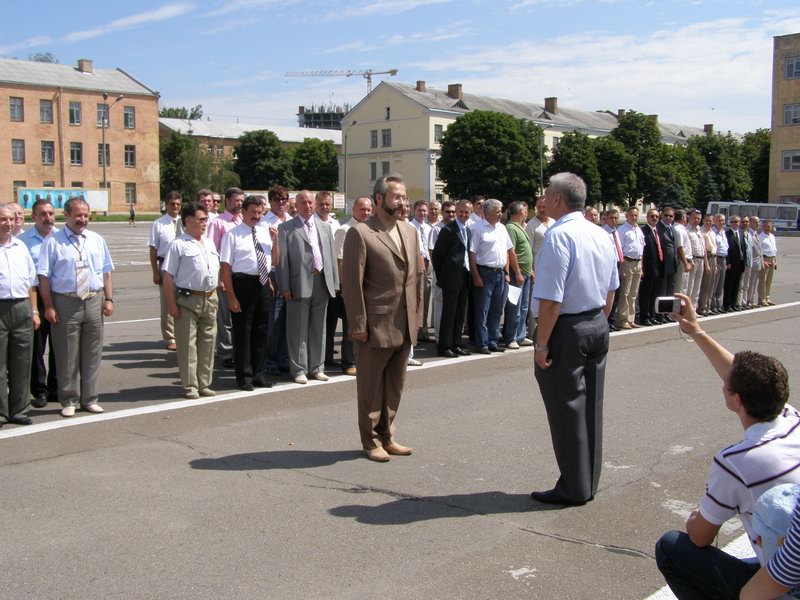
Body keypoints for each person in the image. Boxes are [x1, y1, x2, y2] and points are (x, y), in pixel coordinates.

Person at [654, 293, 800, 599]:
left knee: (671, 547)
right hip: (791, 561)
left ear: (736, 399)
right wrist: (696, 331)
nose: (723, 383)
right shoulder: (793, 419)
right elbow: (745, 379)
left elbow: (700, 537)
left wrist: (699, 513)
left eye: (726, 385)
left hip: (783, 583)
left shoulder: (737, 461)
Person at [530, 172, 618, 506]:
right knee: (591, 407)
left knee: (566, 409)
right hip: (595, 321)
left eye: (546, 194)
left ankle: (574, 487)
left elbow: (551, 301)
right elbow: (611, 288)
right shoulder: (600, 233)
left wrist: (542, 344)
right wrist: (600, 321)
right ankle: (587, 482)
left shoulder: (559, 236)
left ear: (557, 199)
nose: (543, 199)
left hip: (567, 327)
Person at [341, 174, 423, 462]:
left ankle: (388, 436)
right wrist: (358, 325)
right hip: (376, 325)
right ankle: (371, 440)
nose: (402, 202)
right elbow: (352, 285)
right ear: (379, 199)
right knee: (370, 388)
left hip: (404, 323)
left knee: (395, 386)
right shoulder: (361, 233)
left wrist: (417, 318)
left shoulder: (410, 231)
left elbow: (417, 279)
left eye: (404, 197)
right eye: (396, 197)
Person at [37, 197, 114, 417]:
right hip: (66, 301)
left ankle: (90, 398)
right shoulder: (53, 242)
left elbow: (106, 272)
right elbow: (44, 277)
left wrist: (109, 299)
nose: (83, 219)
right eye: (78, 215)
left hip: (93, 299)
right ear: (67, 215)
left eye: (86, 215)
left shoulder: (96, 240)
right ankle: (69, 399)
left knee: (92, 352)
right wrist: (49, 306)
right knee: (67, 353)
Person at [277, 190, 338, 385]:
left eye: (311, 202)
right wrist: (284, 287)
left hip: (322, 281)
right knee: (298, 329)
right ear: (296, 205)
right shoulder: (286, 228)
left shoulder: (325, 226)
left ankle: (317, 367)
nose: (308, 206)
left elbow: (331, 256)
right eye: (303, 202)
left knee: (319, 328)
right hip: (298, 283)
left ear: (315, 204)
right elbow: (282, 261)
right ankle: (299, 369)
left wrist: (334, 283)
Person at [220, 195, 278, 391]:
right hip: (242, 284)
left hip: (262, 284)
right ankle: (244, 377)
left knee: (261, 331)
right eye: (253, 212)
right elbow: (225, 268)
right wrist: (231, 297)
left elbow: (273, 261)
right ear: (243, 212)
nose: (257, 216)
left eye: (260, 213)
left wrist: (276, 241)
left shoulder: (264, 232)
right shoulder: (232, 235)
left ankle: (258, 374)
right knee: (243, 333)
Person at [162, 202, 220, 399]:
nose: (205, 223)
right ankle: (190, 386)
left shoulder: (209, 243)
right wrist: (171, 305)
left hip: (209, 298)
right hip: (188, 300)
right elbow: (168, 277)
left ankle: (204, 383)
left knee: (208, 344)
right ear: (188, 221)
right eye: (201, 219)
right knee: (188, 345)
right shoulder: (178, 244)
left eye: (206, 220)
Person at [0, 203, 38, 427]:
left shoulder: (20, 247)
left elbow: (31, 282)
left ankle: (19, 409)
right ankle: (1, 412)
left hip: (22, 307)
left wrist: (34, 311)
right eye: (3, 219)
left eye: (11, 219)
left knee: (22, 361)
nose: (8, 224)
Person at [18, 199, 59, 408]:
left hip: (59, 298)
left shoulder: (62, 237)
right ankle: (39, 390)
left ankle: (56, 388)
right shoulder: (23, 241)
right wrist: (34, 308)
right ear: (33, 217)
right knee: (37, 347)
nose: (48, 218)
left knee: (59, 346)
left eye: (50, 213)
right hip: (35, 299)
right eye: (43, 214)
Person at [470, 199, 521, 354]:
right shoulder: (477, 228)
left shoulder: (502, 228)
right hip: (484, 272)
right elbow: (472, 254)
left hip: (500, 273)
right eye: (497, 211)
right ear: (488, 212)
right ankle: (482, 343)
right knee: (483, 310)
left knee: (497, 310)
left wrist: (509, 272)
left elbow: (508, 251)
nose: (501, 214)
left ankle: (493, 340)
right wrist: (475, 275)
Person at [331, 196, 373, 376]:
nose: (366, 213)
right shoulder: (345, 230)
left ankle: (362, 359)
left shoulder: (371, 229)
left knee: (364, 324)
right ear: (353, 209)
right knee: (351, 325)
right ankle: (348, 362)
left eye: (369, 210)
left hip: (368, 285)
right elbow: (339, 260)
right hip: (350, 286)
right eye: (362, 209)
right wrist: (345, 287)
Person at [206, 187, 244, 368]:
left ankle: (239, 350)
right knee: (225, 318)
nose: (239, 204)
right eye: (236, 200)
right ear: (227, 201)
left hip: (242, 276)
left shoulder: (243, 221)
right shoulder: (218, 223)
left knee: (240, 315)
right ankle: (226, 352)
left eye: (241, 201)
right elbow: (212, 252)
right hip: (225, 276)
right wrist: (219, 278)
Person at [432, 199, 472, 359]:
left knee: (460, 312)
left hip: (464, 275)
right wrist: (443, 275)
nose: (463, 214)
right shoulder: (448, 230)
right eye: (460, 211)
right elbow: (437, 255)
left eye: (466, 212)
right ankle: (445, 346)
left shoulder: (467, 230)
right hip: (451, 277)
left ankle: (456, 343)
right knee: (449, 312)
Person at [261, 185, 291, 376]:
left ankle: (283, 357)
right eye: (277, 199)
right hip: (274, 273)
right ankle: (270, 360)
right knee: (274, 320)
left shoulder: (291, 219)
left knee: (287, 320)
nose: (281, 202)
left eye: (284, 199)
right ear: (270, 201)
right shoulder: (265, 222)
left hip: (291, 274)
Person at [148, 191, 182, 352]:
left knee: (184, 301)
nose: (175, 207)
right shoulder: (158, 224)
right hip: (166, 265)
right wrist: (155, 272)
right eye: (172, 204)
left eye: (178, 204)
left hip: (183, 266)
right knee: (168, 302)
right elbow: (153, 249)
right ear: (166, 205)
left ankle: (182, 334)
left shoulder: (185, 222)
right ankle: (170, 337)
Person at [502, 200, 534, 348]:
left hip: (525, 273)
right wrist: (517, 272)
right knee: (514, 306)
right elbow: (511, 252)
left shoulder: (519, 227)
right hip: (518, 274)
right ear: (521, 212)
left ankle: (520, 335)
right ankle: (511, 337)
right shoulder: (511, 228)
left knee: (523, 306)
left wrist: (530, 270)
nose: (526, 213)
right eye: (525, 210)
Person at [615, 206, 644, 330]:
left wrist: (641, 266)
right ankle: (622, 319)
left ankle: (631, 319)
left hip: (637, 263)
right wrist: (622, 268)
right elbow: (619, 250)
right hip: (627, 262)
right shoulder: (622, 230)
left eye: (636, 215)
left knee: (633, 293)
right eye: (631, 215)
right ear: (626, 216)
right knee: (625, 293)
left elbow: (641, 249)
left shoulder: (639, 230)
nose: (634, 217)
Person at [410, 201, 433, 341]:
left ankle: (423, 330)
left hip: (428, 264)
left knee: (426, 297)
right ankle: (414, 331)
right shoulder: (410, 227)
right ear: (414, 211)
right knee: (416, 299)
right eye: (419, 210)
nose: (422, 213)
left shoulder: (428, 228)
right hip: (416, 265)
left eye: (424, 210)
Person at [638, 209, 664, 327]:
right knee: (646, 294)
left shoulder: (657, 231)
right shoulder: (644, 231)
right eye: (652, 216)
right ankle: (644, 316)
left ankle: (652, 315)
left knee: (654, 293)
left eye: (657, 217)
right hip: (648, 267)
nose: (654, 218)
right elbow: (642, 251)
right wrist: (642, 267)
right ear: (647, 217)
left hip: (657, 267)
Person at [602, 208, 624, 332]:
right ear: (606, 218)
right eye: (611, 218)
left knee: (616, 294)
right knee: (608, 294)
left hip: (618, 264)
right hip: (608, 264)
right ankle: (605, 320)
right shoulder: (603, 232)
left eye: (616, 218)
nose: (614, 220)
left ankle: (611, 320)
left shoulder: (616, 232)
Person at [723, 215, 748, 311]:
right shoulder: (727, 234)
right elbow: (726, 249)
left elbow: (744, 249)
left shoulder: (741, 233)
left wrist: (744, 262)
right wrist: (728, 261)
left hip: (740, 263)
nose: (734, 223)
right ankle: (727, 305)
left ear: (739, 223)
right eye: (732, 222)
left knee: (736, 285)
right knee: (729, 284)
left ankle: (733, 304)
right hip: (731, 263)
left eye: (736, 222)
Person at [684, 209, 707, 307]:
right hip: (692, 260)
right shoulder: (686, 230)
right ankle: (687, 308)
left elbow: (703, 247)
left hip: (701, 260)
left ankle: (693, 308)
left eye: (698, 218)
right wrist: (689, 261)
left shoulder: (699, 230)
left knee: (697, 286)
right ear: (688, 217)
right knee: (689, 285)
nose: (696, 220)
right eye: (694, 218)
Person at [697, 213, 718, 316]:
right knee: (705, 285)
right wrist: (707, 265)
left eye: (710, 221)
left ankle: (708, 306)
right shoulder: (702, 232)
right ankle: (702, 307)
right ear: (703, 221)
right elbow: (704, 250)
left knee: (711, 285)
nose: (708, 222)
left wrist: (716, 264)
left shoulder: (712, 232)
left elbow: (715, 248)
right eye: (707, 220)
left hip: (713, 258)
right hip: (707, 258)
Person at [743, 215, 763, 309]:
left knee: (754, 283)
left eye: (758, 222)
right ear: (750, 222)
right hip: (751, 262)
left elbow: (759, 249)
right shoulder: (748, 233)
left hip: (757, 263)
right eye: (755, 222)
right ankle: (748, 301)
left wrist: (762, 262)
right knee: (749, 283)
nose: (757, 223)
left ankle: (751, 300)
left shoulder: (756, 233)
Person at [712, 213, 729, 313]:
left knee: (720, 284)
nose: (721, 222)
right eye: (719, 220)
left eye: (722, 220)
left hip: (723, 259)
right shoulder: (713, 232)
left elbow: (726, 247)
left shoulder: (723, 232)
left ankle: (719, 304)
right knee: (715, 283)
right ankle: (713, 305)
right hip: (716, 259)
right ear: (714, 221)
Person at [759, 219, 778, 306]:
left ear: (771, 227)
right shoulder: (760, 237)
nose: (767, 228)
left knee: (769, 280)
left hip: (772, 258)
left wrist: (775, 260)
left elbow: (773, 249)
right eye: (765, 226)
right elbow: (758, 251)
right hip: (765, 259)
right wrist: (762, 261)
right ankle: (761, 299)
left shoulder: (772, 236)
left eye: (768, 226)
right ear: (762, 227)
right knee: (762, 280)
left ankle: (767, 297)